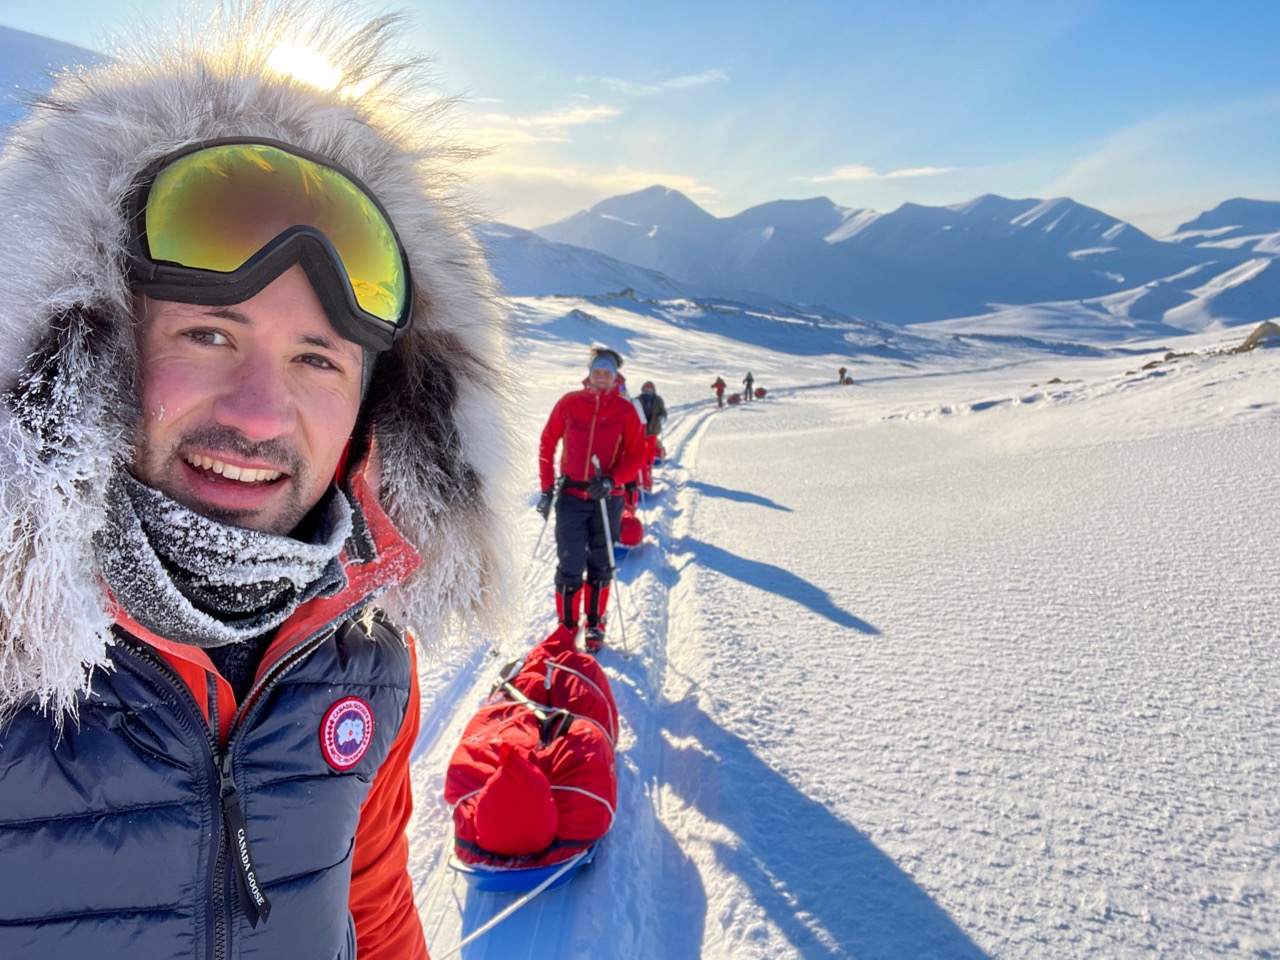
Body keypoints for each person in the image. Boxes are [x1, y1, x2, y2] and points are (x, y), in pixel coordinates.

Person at [0, 7, 512, 960]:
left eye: (318, 360)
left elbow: (376, 909)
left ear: (374, 409)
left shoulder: (362, 654)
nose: (260, 415)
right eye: (209, 334)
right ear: (96, 357)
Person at [536, 347, 647, 652]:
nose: (601, 377)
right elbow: (547, 442)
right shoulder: (570, 403)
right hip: (571, 496)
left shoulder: (625, 411)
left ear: (615, 378)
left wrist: (613, 479)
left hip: (606, 498)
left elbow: (638, 454)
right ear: (589, 373)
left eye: (607, 373)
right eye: (597, 371)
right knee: (569, 563)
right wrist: (547, 488)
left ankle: (595, 622)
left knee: (601, 563)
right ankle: (567, 626)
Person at [637, 380, 667, 491]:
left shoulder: (658, 400)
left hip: (653, 429)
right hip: (640, 430)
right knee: (640, 451)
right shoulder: (638, 400)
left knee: (650, 450)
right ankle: (643, 471)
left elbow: (662, 411)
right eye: (646, 389)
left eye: (650, 389)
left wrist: (662, 415)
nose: (648, 391)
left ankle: (648, 467)